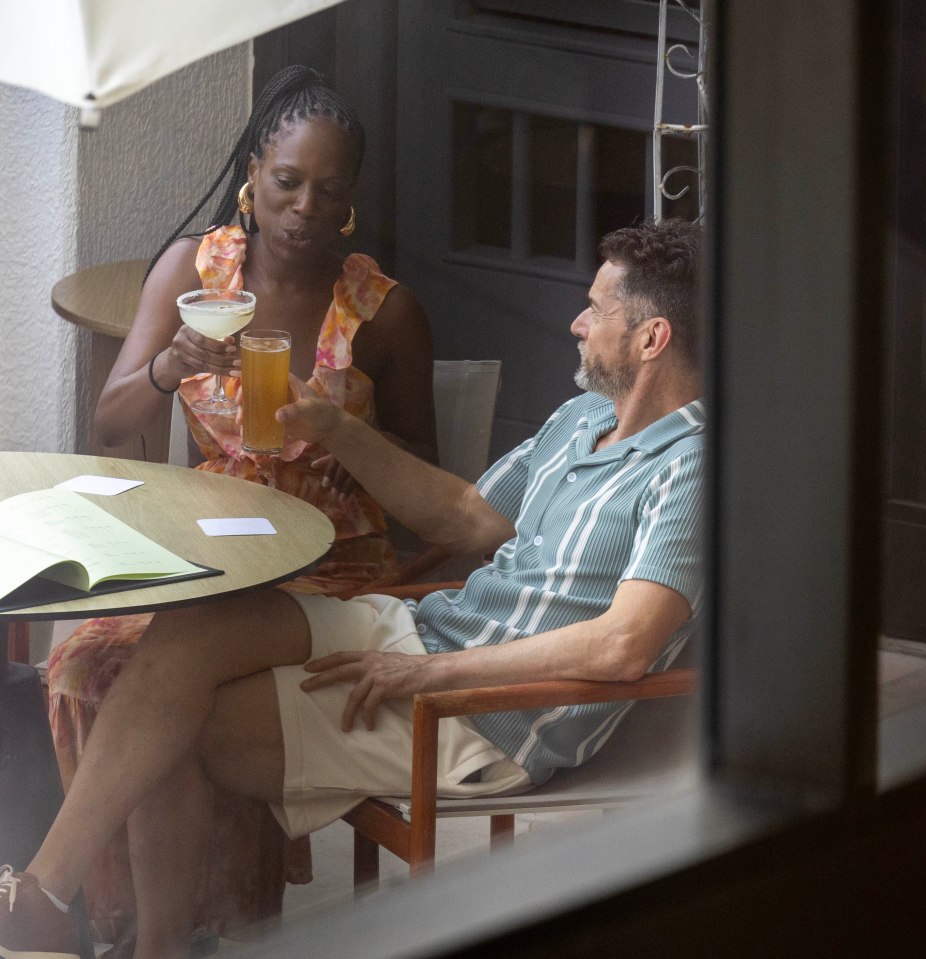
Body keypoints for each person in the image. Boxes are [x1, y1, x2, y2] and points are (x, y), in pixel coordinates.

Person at [0, 218, 705, 959]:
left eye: (595, 310)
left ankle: (136, 941)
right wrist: (333, 426)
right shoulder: (583, 417)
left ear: (652, 339)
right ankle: (48, 898)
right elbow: (467, 516)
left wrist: (426, 672)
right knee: (192, 623)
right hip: (427, 632)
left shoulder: (691, 468)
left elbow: (626, 643)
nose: (576, 321)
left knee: (176, 721)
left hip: (484, 715)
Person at [44, 65, 437, 951]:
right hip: (212, 558)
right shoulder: (196, 275)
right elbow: (113, 422)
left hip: (330, 576)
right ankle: (161, 928)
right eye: (288, 181)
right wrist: (167, 368)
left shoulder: (384, 313)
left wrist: (341, 433)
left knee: (167, 688)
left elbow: (426, 494)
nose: (304, 205)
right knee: (90, 668)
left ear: (349, 205)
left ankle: (175, 929)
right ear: (254, 174)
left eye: (328, 191)